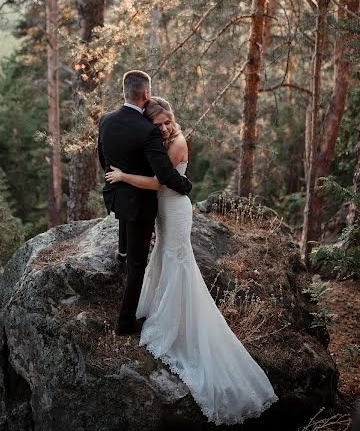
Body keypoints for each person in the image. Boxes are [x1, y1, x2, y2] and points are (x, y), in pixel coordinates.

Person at [105, 96, 279, 426]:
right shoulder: (156, 141)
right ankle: (163, 309)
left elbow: (160, 182)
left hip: (177, 211)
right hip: (162, 213)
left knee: (178, 263)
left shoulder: (177, 143)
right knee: (164, 258)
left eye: (168, 121)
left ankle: (178, 321)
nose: (167, 127)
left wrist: (124, 177)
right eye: (159, 124)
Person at [97, 70, 192, 336]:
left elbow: (103, 158)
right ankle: (125, 324)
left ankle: (122, 250)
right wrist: (185, 185)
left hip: (117, 194)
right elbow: (163, 175)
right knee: (137, 266)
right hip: (140, 202)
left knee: (127, 233)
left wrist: (117, 179)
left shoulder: (105, 120)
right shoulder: (147, 130)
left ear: (124, 91)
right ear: (146, 94)